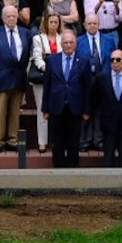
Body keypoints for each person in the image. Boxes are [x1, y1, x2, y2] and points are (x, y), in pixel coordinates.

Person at [41, 30, 92, 168]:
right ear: (61, 44)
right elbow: (47, 86)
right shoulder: (51, 60)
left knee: (73, 141)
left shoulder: (84, 61)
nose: (68, 45)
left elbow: (87, 87)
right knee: (57, 141)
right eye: (65, 42)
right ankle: (58, 169)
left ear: (75, 44)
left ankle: (72, 169)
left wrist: (86, 110)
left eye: (71, 42)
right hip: (56, 106)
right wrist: (45, 109)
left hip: (75, 107)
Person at [0, 1, 31, 154]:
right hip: (1, 77)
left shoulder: (26, 33)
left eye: (13, 16)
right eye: (8, 16)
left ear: (17, 17)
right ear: (3, 18)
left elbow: (26, 55)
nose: (11, 18)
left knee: (14, 112)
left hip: (18, 77)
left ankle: (13, 140)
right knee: (0, 111)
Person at [28, 11, 68, 154]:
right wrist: (50, 70)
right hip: (42, 78)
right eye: (51, 22)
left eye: (56, 22)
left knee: (59, 110)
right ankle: (42, 142)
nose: (53, 25)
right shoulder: (38, 38)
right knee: (42, 110)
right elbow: (37, 58)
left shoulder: (63, 38)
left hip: (59, 80)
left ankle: (57, 141)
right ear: (46, 23)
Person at [74, 12, 115, 150]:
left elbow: (112, 59)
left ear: (99, 25)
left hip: (103, 80)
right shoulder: (78, 41)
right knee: (85, 111)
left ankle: (99, 140)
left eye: (95, 23)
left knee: (101, 111)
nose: (92, 26)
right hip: (84, 81)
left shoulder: (109, 40)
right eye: (89, 23)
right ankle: (84, 141)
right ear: (85, 25)